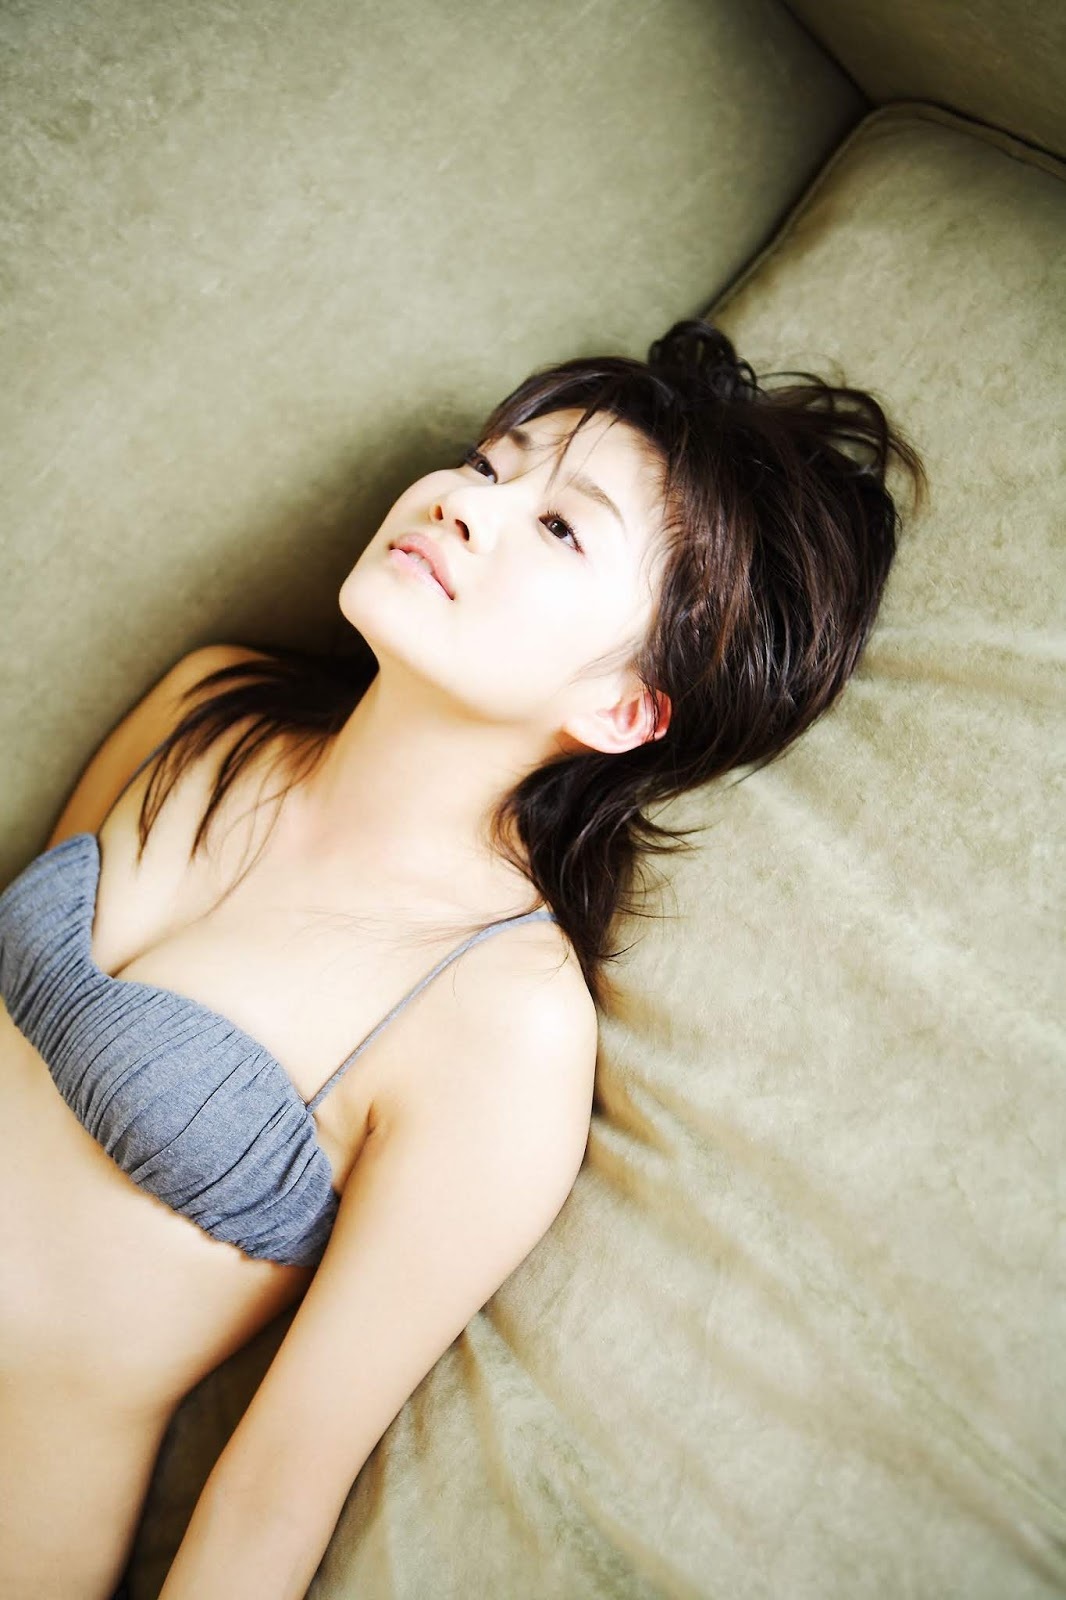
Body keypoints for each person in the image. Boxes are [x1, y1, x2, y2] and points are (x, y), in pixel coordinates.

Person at [0, 318, 926, 1597]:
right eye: (491, 463)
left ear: (623, 706)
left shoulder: (503, 1020)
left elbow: (277, 1490)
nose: (461, 500)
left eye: (560, 527)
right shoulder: (208, 707)